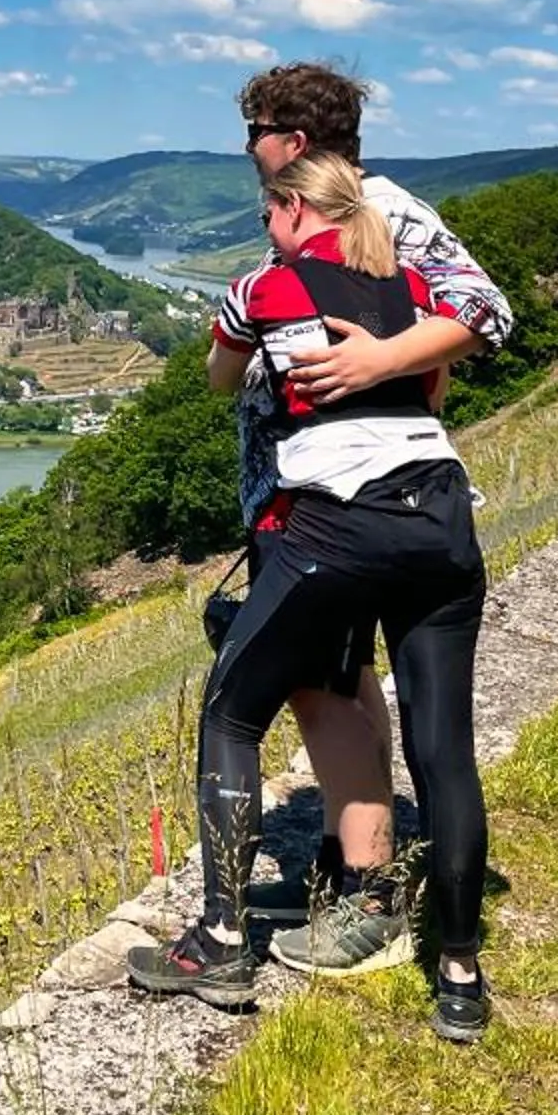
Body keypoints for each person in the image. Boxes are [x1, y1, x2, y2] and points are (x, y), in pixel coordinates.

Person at [127, 151, 496, 1042]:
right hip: (443, 519)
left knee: (232, 710)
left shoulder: (264, 285)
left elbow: (221, 381)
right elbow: (437, 383)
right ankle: (458, 973)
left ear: (295, 209)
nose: (264, 227)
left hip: (334, 525)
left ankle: (220, 938)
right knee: (444, 750)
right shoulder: (415, 292)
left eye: (268, 211)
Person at [223, 66, 511, 973]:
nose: (249, 151)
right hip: (315, 497)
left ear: (292, 141)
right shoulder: (323, 214)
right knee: (333, 682)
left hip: (347, 504)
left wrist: (378, 359)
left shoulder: (382, 209)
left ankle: (368, 892)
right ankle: (355, 867)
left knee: (326, 683)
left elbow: (485, 310)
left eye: (254, 134)